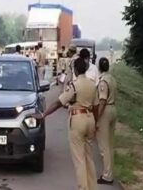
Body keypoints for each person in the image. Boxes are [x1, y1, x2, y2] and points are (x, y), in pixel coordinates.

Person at [41, 58, 99, 190]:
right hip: (90, 119)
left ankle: (83, 187)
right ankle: (92, 187)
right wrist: (96, 123)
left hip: (78, 119)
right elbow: (96, 106)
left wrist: (44, 114)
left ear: (75, 70)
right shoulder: (92, 84)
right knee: (89, 157)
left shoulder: (75, 85)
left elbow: (59, 102)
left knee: (79, 159)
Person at [96, 57, 117, 185]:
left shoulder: (103, 81)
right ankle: (110, 172)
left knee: (104, 146)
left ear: (99, 67)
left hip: (106, 111)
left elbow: (102, 101)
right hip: (114, 108)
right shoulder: (112, 79)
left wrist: (97, 117)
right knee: (110, 144)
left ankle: (107, 175)